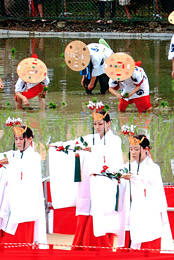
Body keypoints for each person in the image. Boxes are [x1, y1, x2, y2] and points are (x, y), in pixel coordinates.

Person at [50, 102, 123, 250]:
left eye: (100, 124)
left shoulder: (115, 140)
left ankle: (101, 245)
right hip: (88, 182)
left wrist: (93, 149)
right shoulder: (91, 138)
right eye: (95, 124)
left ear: (108, 123)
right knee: (86, 209)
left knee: (101, 212)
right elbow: (76, 144)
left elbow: (111, 156)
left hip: (104, 183)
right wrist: (60, 146)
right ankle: (81, 243)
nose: (97, 127)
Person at [118, 134, 174, 250]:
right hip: (133, 207)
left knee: (149, 237)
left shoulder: (153, 167)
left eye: (137, 149)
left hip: (149, 209)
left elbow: (147, 181)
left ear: (145, 149)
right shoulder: (128, 167)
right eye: (131, 149)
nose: (133, 152)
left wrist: (133, 178)